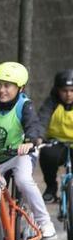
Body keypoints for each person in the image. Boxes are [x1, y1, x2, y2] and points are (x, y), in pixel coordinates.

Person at [0, 61, 57, 239]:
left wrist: (30, 141)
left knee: (22, 180)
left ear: (20, 88)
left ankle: (45, 223)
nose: (1, 90)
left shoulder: (24, 105)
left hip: (20, 154)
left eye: (7, 86)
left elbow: (33, 126)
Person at [37, 69, 73, 202]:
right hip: (57, 143)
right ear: (58, 90)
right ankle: (51, 189)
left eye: (72, 90)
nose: (68, 95)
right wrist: (39, 137)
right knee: (46, 154)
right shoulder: (51, 102)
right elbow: (42, 118)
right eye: (64, 90)